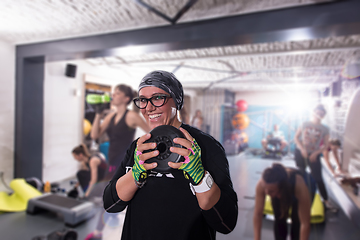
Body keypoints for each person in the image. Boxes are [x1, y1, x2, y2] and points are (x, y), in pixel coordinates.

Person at [103, 70, 238, 240]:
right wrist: (135, 174)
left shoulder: (206, 146)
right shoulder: (139, 146)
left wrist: (201, 180)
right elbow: (110, 204)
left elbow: (227, 223)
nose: (149, 107)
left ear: (177, 101)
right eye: (143, 100)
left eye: (158, 98)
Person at [85, 84, 150, 240]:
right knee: (109, 197)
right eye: (113, 92)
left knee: (125, 199)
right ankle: (102, 229)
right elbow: (95, 135)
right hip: (112, 164)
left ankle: (99, 233)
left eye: (117, 93)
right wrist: (98, 114)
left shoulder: (131, 116)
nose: (113, 95)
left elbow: (152, 131)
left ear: (126, 98)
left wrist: (145, 150)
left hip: (126, 165)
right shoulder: (110, 116)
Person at [253, 163, 315, 240]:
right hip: (281, 187)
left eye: (271, 191)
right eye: (265, 189)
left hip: (307, 184)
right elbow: (258, 214)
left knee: (297, 221)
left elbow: (305, 223)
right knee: (279, 217)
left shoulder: (299, 185)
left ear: (281, 189)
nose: (266, 193)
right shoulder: (262, 184)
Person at [293, 104, 336, 211]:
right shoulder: (305, 124)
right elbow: (296, 138)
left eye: (322, 114)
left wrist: (316, 153)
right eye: (318, 112)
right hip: (300, 153)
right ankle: (297, 197)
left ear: (324, 115)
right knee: (301, 174)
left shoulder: (325, 129)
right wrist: (302, 149)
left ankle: (326, 201)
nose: (319, 115)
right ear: (313, 112)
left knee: (318, 178)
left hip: (313, 155)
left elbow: (325, 145)